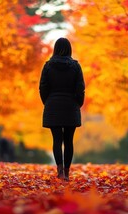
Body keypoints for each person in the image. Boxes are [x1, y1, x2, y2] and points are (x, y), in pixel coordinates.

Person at [39, 38, 85, 181]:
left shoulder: (47, 66)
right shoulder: (75, 66)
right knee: (69, 140)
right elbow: (80, 88)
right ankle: (67, 172)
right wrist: (78, 103)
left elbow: (43, 87)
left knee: (57, 140)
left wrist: (47, 101)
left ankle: (59, 171)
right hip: (71, 106)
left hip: (53, 105)